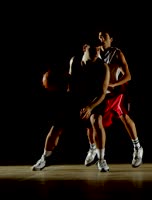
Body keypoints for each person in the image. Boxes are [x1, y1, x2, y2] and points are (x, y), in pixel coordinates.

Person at [32, 40, 111, 172]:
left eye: (99, 49)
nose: (97, 51)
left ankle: (102, 160)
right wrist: (54, 82)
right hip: (76, 98)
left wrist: (90, 107)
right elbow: (70, 86)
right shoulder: (74, 61)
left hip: (94, 101)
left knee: (96, 121)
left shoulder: (103, 67)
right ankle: (44, 158)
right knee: (56, 126)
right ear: (85, 47)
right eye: (93, 48)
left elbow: (103, 93)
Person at [83, 30, 143, 168]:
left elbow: (128, 76)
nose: (101, 38)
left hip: (114, 94)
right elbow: (84, 66)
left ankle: (137, 148)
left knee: (124, 118)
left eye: (104, 35)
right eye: (99, 36)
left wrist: (113, 84)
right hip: (99, 94)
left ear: (111, 39)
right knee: (91, 121)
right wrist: (85, 53)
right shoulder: (94, 51)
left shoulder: (117, 53)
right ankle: (92, 149)